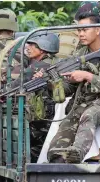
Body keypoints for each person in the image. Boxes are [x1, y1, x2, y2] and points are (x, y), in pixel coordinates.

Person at [47, 5, 100, 163]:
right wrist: (53, 82)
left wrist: (87, 76)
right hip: (83, 103)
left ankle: (77, 152)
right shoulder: (79, 54)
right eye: (79, 30)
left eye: (85, 29)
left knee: (90, 114)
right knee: (60, 141)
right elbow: (70, 89)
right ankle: (58, 163)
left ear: (98, 29)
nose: (81, 34)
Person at [19, 33, 67, 163]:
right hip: (53, 118)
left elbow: (15, 85)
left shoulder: (39, 66)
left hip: (43, 120)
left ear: (43, 48)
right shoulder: (55, 62)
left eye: (32, 44)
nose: (28, 47)